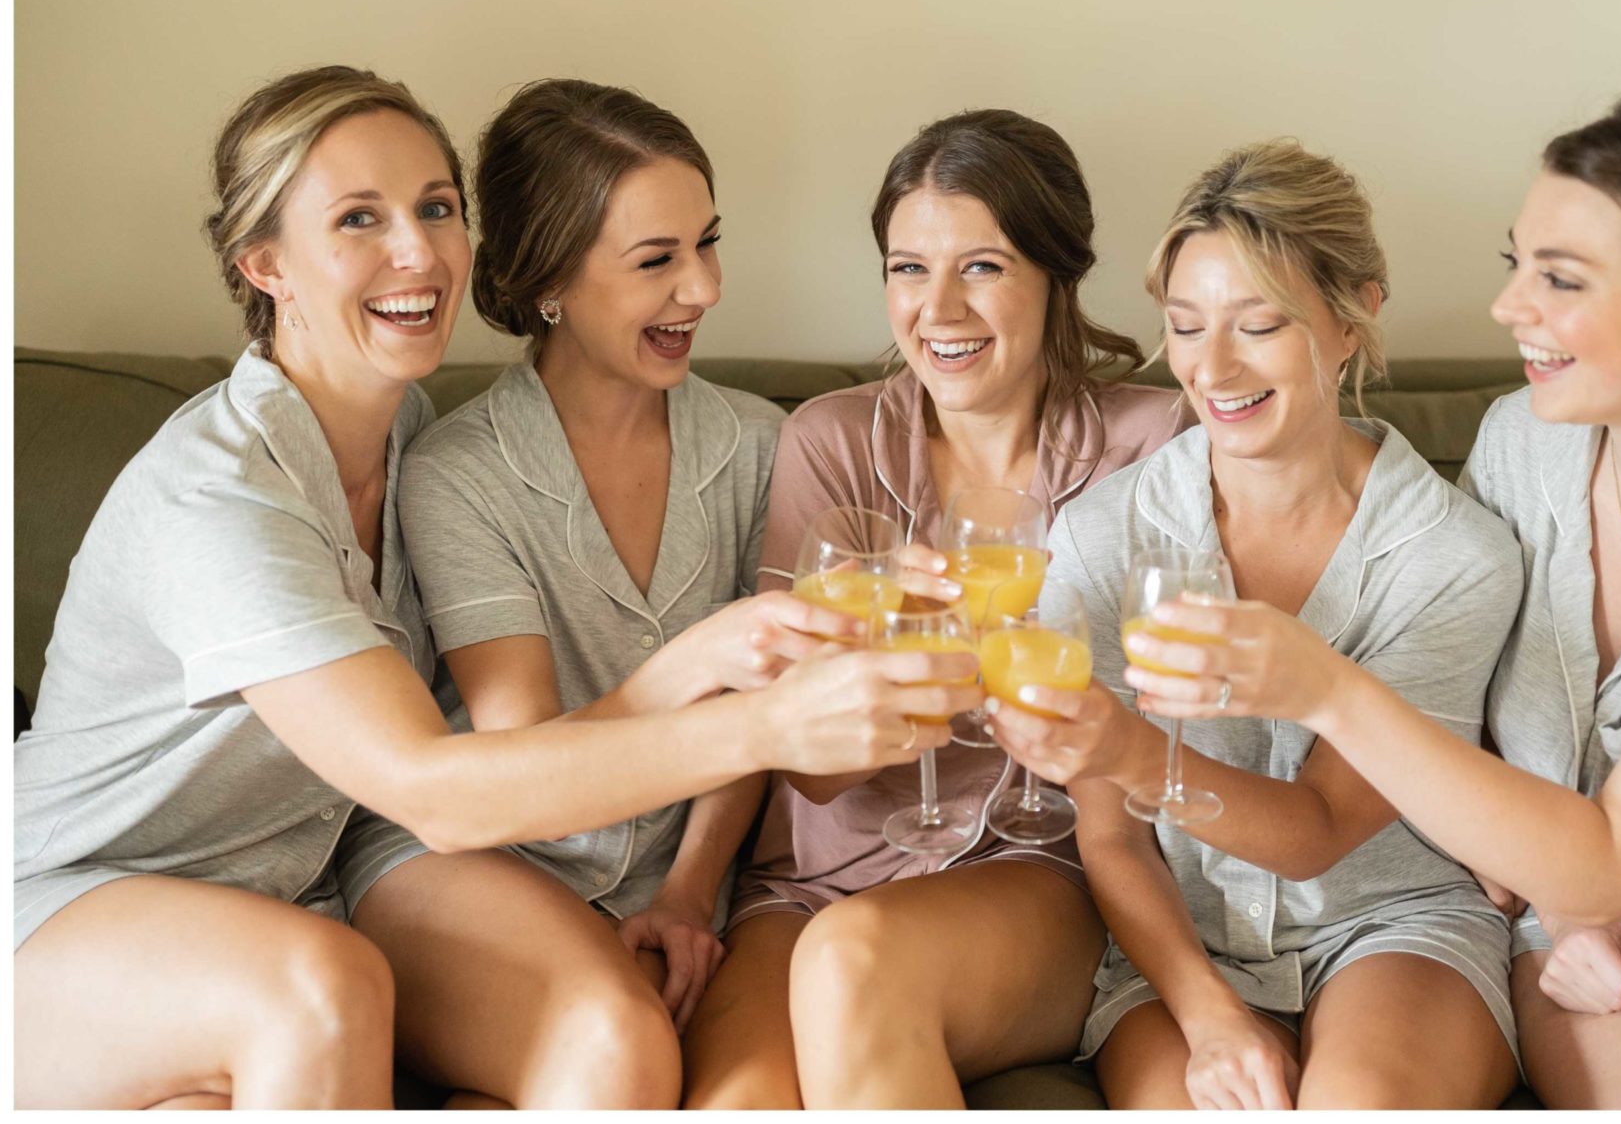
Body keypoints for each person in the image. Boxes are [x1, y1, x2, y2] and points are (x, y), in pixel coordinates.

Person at [13, 67, 975, 1109]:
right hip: (77, 911)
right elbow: (436, 788)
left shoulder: (404, 435)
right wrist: (761, 718)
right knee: (320, 991)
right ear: (265, 264)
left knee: (568, 1045)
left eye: (436, 207)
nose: (419, 252)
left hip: (297, 900)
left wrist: (724, 739)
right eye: (357, 219)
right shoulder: (222, 501)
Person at [1122, 74, 1621, 1109]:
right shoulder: (1525, 448)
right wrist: (1566, 904)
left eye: (1562, 278)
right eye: (1516, 264)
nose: (1508, 307)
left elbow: (1613, 849)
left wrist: (1327, 690)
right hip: (1586, 917)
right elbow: (1486, 745)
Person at [989, 138, 1525, 1108]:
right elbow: (1112, 841)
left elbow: (1319, 832)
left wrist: (1126, 749)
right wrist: (1209, 1017)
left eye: (1259, 324)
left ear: (1355, 315)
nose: (1213, 365)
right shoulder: (1106, 532)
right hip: (1180, 943)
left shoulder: (1454, 558)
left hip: (1393, 921)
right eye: (1185, 326)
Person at [683, 109, 1191, 1108]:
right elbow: (794, 764)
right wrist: (887, 674)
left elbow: (1191, 722)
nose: (938, 307)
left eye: (985, 267)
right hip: (814, 877)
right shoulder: (830, 443)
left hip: (1043, 869)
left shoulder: (1155, 442)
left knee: (858, 956)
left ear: (1057, 273)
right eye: (908, 268)